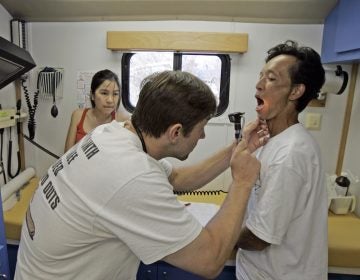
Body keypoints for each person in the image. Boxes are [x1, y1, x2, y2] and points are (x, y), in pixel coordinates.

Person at [15, 70, 269, 280]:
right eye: (201, 129)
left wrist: (235, 151)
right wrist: (243, 182)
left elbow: (177, 179)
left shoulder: (111, 134)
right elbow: (209, 259)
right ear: (176, 132)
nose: (202, 137)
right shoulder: (133, 176)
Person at [235, 40, 328, 280]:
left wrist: (211, 233)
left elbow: (259, 238)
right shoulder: (273, 141)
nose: (258, 85)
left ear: (296, 91)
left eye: (271, 79)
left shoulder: (291, 153)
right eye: (260, 76)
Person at [64, 69, 128, 152]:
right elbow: (67, 154)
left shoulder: (122, 120)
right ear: (92, 95)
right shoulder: (78, 115)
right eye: (104, 93)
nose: (110, 100)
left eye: (115, 94)